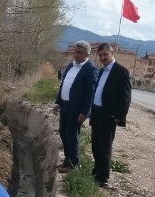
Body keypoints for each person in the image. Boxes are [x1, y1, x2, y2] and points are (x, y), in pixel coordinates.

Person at [90, 43, 132, 188]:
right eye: (100, 55)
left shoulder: (121, 71)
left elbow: (125, 97)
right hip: (97, 113)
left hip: (108, 116)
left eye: (105, 55)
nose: (102, 58)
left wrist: (118, 116)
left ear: (112, 53)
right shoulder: (101, 71)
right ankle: (96, 171)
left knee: (105, 147)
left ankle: (103, 178)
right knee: (95, 145)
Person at [55, 41, 96, 172]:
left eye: (79, 52)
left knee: (72, 136)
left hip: (76, 110)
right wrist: (57, 102)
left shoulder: (91, 69)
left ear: (87, 54)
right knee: (63, 133)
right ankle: (67, 161)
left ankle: (74, 165)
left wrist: (85, 112)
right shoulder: (70, 66)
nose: (76, 55)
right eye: (75, 52)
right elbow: (63, 85)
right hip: (65, 106)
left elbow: (91, 93)